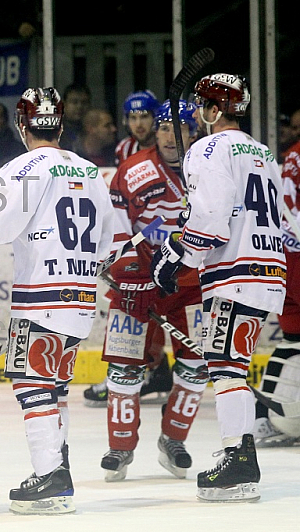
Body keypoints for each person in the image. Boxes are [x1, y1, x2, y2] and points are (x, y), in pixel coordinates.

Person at [0, 87, 117, 515]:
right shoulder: (90, 171)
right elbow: (107, 245)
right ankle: (59, 465)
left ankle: (51, 477)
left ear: (22, 125)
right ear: (61, 124)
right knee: (56, 388)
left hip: (40, 298)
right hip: (80, 299)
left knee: (33, 387)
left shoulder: (23, 167)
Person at [151, 73, 286, 502]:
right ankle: (240, 454)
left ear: (211, 110)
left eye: (200, 107)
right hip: (269, 270)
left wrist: (176, 257)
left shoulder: (207, 148)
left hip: (235, 274)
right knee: (234, 366)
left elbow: (210, 217)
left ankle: (239, 460)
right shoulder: (264, 152)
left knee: (226, 368)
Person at [98, 99, 207, 482]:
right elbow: (114, 229)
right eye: (164, 128)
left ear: (195, 132)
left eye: (180, 129)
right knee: (125, 366)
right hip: (137, 285)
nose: (171, 137)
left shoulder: (210, 170)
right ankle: (121, 446)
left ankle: (173, 440)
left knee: (196, 367)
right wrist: (126, 271)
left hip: (190, 287)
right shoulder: (133, 170)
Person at [251, 119, 300, 447]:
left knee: (294, 336)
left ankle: (261, 415)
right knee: (295, 334)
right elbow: (289, 210)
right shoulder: (296, 157)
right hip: (294, 256)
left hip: (290, 254)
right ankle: (262, 416)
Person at [115, 89, 160, 165]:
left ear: (155, 118)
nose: (138, 124)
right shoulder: (125, 148)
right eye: (133, 118)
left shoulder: (168, 146)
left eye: (144, 117)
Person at [58, 83, 91, 152]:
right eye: (74, 102)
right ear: (64, 104)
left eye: (84, 102)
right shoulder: (56, 132)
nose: (79, 107)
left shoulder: (92, 131)